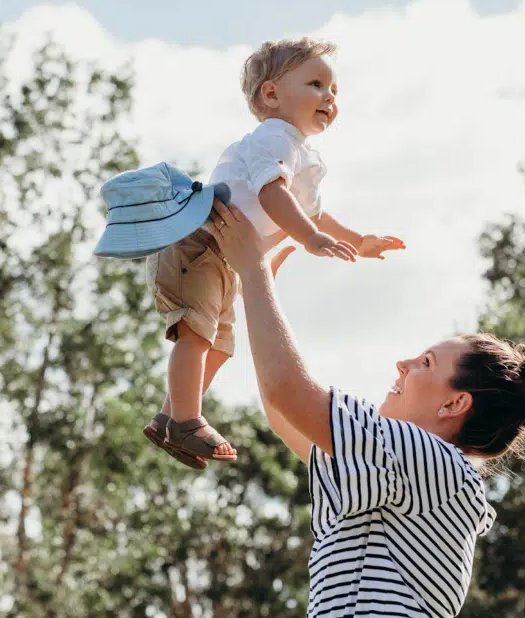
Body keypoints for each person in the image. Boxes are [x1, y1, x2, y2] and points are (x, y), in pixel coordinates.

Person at [201, 199, 525, 618]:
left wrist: (253, 273)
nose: (402, 364)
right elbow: (283, 409)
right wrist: (257, 293)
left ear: (455, 403)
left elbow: (288, 392)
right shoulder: (408, 470)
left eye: (425, 363)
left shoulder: (432, 461)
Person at [142, 37, 405, 469]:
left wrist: (359, 240)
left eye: (334, 90)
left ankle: (171, 416)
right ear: (271, 93)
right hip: (199, 241)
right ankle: (186, 419)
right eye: (317, 84)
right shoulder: (273, 138)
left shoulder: (304, 155)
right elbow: (272, 195)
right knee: (196, 334)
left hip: (225, 257)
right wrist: (307, 238)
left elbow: (315, 214)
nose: (330, 97)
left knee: (221, 346)